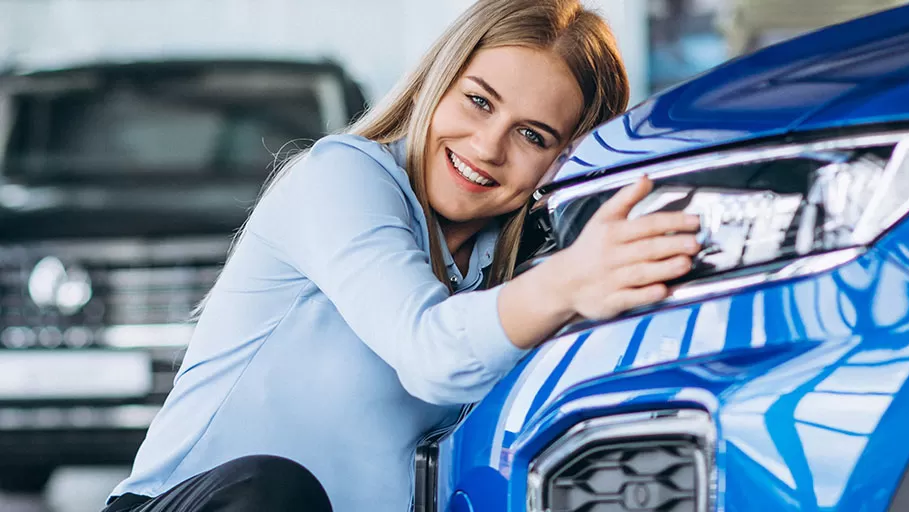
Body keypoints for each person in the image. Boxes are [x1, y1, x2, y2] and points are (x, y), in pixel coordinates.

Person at [103, 0, 703, 510]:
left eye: (532, 135)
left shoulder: (513, 272)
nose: (487, 146)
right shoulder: (338, 178)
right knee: (274, 489)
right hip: (208, 502)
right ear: (436, 83)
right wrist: (566, 284)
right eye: (479, 101)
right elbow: (431, 350)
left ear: (563, 161)